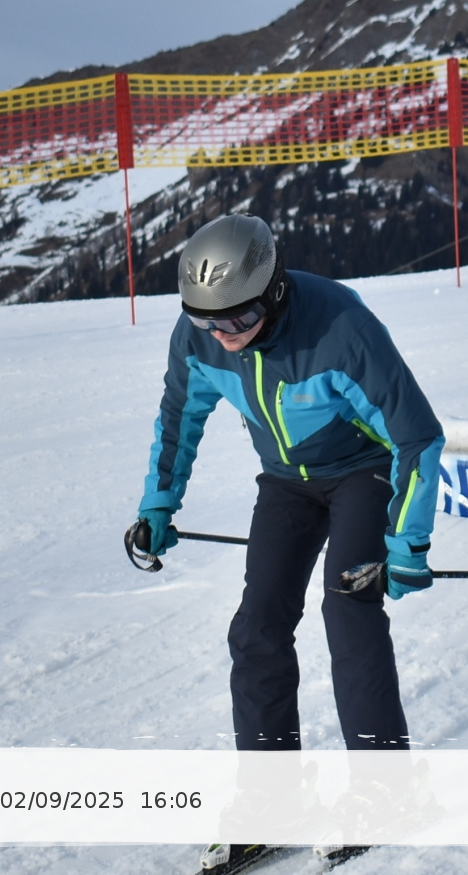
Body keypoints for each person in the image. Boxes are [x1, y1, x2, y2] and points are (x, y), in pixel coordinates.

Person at [133, 214, 444, 755]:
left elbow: (416, 436)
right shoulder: (200, 338)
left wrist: (408, 543)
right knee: (257, 628)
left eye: (239, 318)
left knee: (349, 608)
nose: (223, 336)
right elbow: (179, 415)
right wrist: (159, 503)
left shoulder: (342, 329)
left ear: (273, 291)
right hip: (285, 482)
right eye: (206, 321)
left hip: (361, 470)